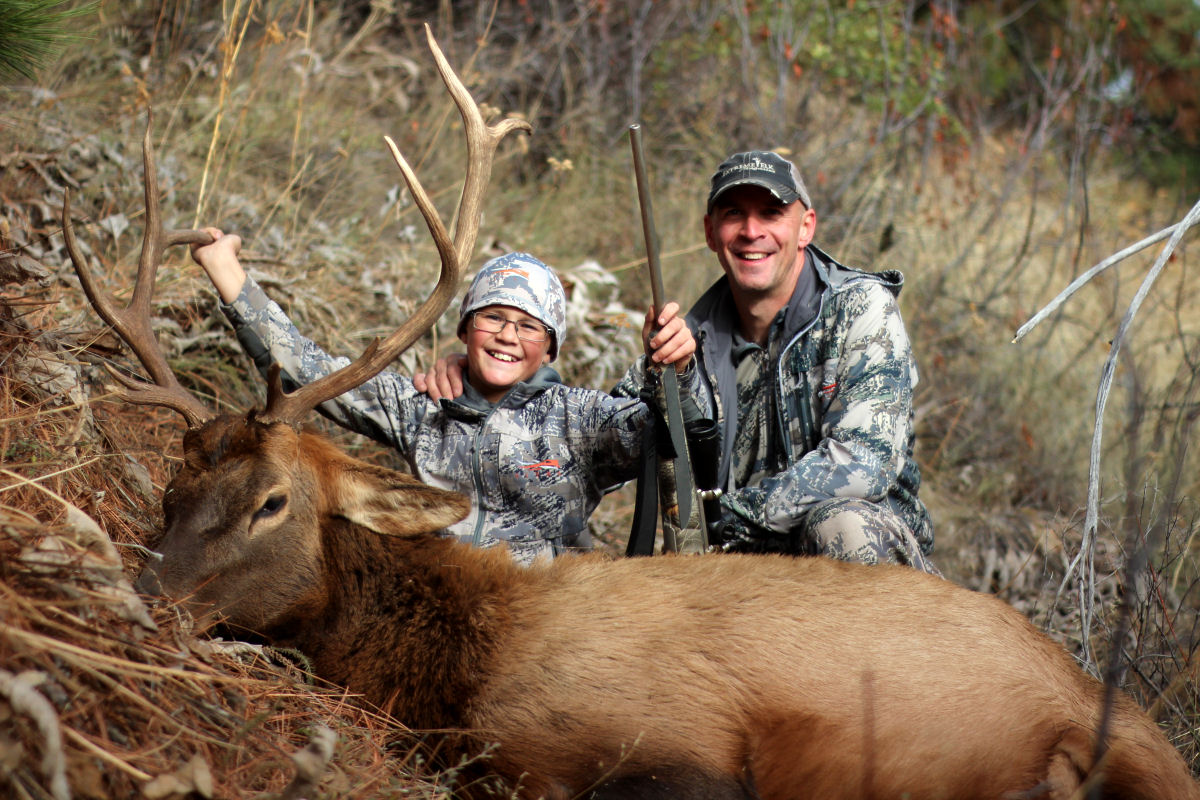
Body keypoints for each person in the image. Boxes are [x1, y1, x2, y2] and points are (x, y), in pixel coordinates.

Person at [419, 151, 938, 574]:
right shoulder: (688, 339)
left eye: (771, 214)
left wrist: (736, 515)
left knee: (841, 525)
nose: (751, 231)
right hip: (742, 578)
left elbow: (864, 462)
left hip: (845, 572)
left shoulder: (861, 310)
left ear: (805, 227)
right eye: (734, 214)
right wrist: (490, 381)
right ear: (711, 233)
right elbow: (599, 436)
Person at [189, 231, 706, 565]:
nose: (507, 335)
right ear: (465, 329)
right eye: (493, 317)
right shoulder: (421, 408)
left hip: (546, 622)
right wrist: (225, 270)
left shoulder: (579, 418)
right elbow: (306, 369)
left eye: (529, 326)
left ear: (549, 348)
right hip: (444, 609)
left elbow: (672, 431)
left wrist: (675, 367)